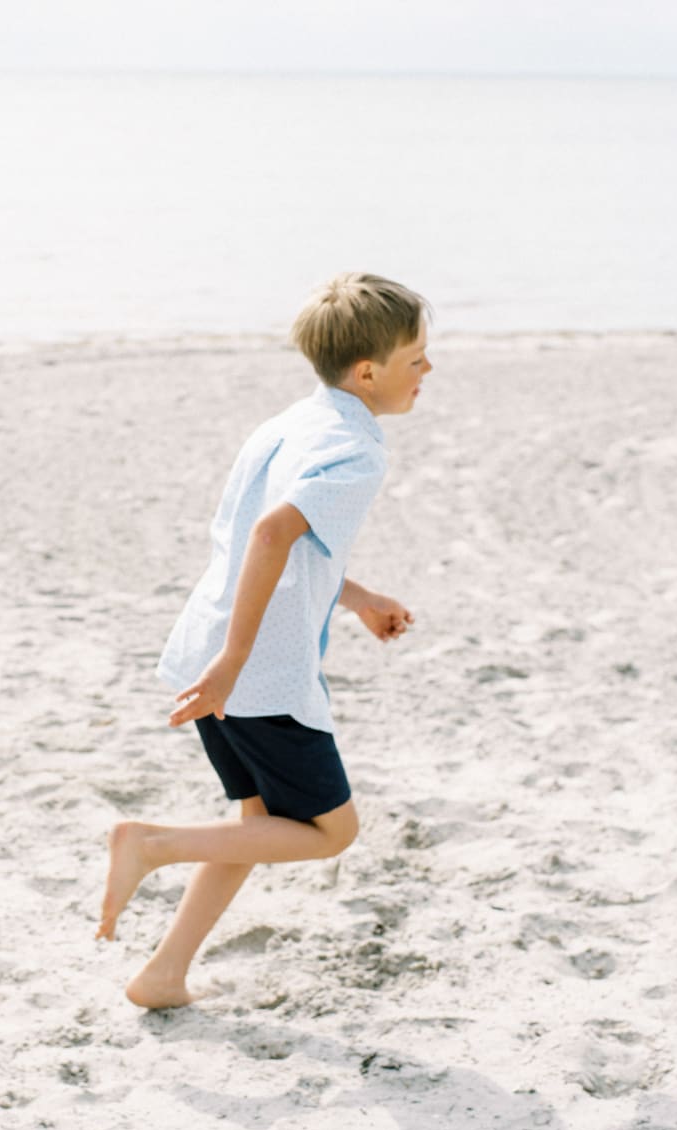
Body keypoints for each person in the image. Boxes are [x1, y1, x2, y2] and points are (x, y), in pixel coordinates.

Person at [96, 272, 433, 1008]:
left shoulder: (285, 425)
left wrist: (357, 598)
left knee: (261, 823)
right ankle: (151, 845)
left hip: (208, 647)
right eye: (416, 359)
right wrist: (237, 662)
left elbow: (272, 547)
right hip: (255, 673)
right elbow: (273, 534)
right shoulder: (356, 451)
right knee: (332, 833)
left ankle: (163, 975)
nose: (428, 369)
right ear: (367, 372)